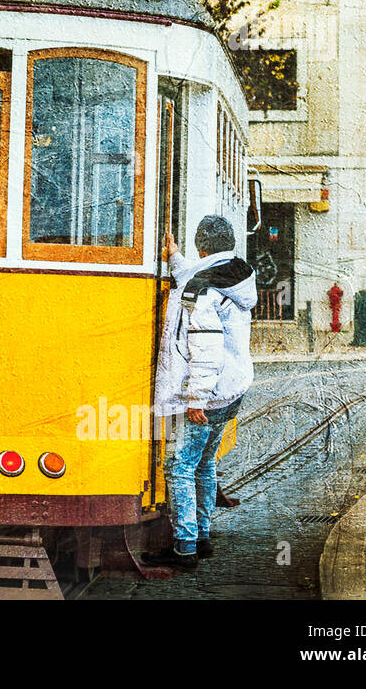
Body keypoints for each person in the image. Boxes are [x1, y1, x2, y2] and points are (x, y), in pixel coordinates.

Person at [143, 215, 256, 569]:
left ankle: (185, 547)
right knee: (205, 463)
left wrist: (196, 398)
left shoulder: (203, 289)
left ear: (200, 245)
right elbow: (194, 276)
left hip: (209, 394)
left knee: (180, 467)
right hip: (230, 391)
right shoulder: (235, 274)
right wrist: (175, 259)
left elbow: (205, 346)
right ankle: (203, 536)